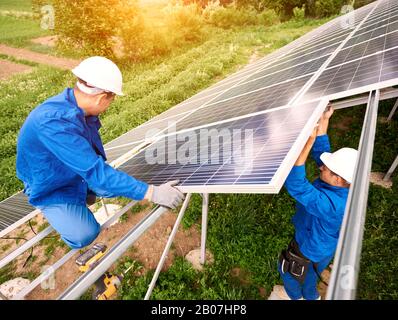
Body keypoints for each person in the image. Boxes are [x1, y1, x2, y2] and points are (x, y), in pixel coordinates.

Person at [16, 56, 184, 250]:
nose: (109, 105)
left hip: (75, 170)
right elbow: (95, 171)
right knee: (85, 234)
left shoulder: (80, 110)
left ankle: (87, 190)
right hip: (50, 184)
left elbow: (94, 161)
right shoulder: (54, 123)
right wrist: (152, 192)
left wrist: (105, 181)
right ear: (101, 97)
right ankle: (65, 210)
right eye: (111, 99)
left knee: (107, 185)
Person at [270, 105, 358, 300]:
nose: (321, 168)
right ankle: (311, 296)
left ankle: (296, 297)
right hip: (322, 244)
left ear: (338, 179)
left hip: (311, 246)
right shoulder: (343, 183)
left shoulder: (334, 205)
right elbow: (322, 153)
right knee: (310, 276)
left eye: (326, 168)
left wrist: (307, 140)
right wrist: (324, 120)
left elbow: (297, 185)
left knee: (289, 273)